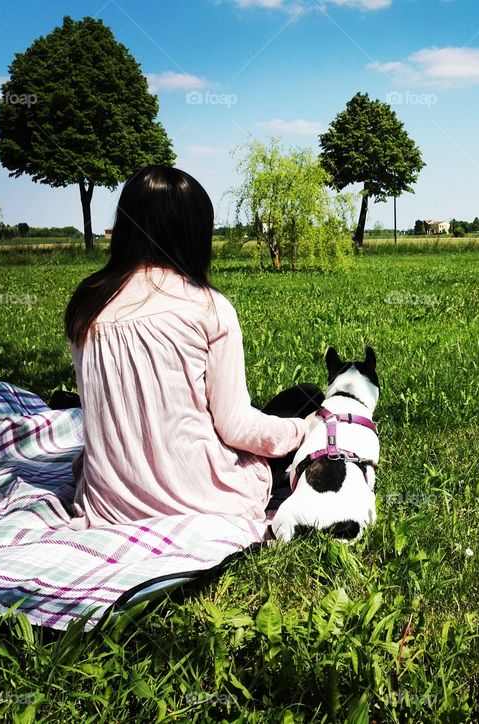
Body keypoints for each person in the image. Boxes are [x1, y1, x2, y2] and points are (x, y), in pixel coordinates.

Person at [64, 165, 322, 529]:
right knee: (307, 398)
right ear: (193, 233)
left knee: (290, 405)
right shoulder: (208, 307)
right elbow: (236, 427)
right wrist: (302, 429)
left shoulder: (87, 305)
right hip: (199, 498)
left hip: (112, 504)